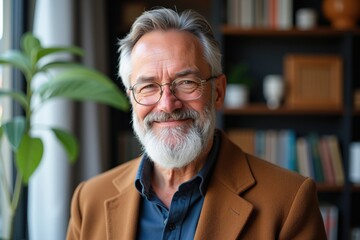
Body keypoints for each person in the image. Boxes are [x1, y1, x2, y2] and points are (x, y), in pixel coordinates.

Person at [66, 8, 327, 240]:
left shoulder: (289, 200)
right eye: (147, 87)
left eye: (186, 82)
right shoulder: (89, 200)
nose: (167, 105)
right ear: (132, 99)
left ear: (218, 92)